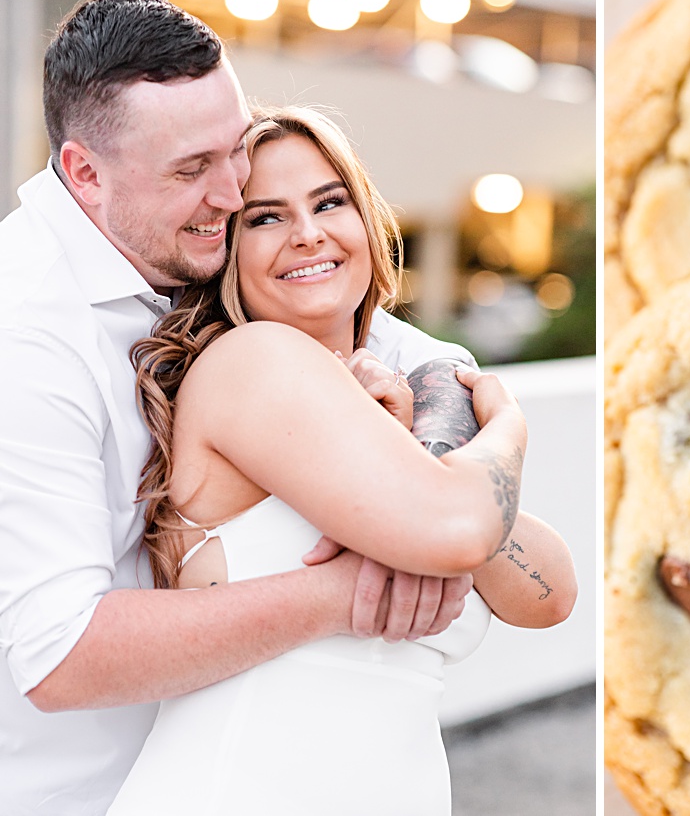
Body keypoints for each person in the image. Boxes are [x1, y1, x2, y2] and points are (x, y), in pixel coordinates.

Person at [0, 0, 497, 814]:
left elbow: (414, 354)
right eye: (193, 170)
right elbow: (58, 658)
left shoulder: (191, 259)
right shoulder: (24, 331)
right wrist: (345, 597)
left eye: (232, 153)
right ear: (85, 173)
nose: (232, 195)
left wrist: (473, 415)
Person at [104, 104, 575, 813]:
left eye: (330, 202)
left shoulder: (401, 415)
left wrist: (413, 442)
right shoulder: (249, 363)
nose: (308, 234)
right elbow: (460, 529)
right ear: (225, 249)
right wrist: (506, 429)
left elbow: (550, 597)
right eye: (264, 217)